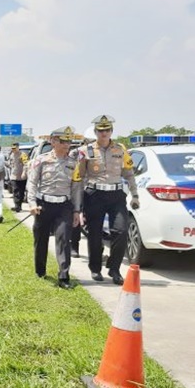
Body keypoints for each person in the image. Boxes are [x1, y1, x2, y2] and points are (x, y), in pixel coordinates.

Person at [74, 115, 139, 285]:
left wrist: (135, 195)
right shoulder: (85, 151)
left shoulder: (120, 149)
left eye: (107, 130)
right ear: (96, 132)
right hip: (94, 195)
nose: (104, 133)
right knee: (94, 234)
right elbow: (79, 177)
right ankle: (95, 268)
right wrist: (78, 204)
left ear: (111, 131)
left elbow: (129, 173)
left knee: (121, 231)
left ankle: (114, 268)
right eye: (101, 130)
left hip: (116, 195)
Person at [27, 126, 82, 289]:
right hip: (43, 205)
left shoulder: (73, 164)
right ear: (53, 141)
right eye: (63, 141)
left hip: (64, 206)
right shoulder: (41, 160)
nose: (67, 145)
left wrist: (77, 210)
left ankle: (64, 276)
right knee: (40, 239)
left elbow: (76, 188)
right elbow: (32, 183)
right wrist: (32, 203)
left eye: (69, 141)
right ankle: (40, 271)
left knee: (64, 238)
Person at [9, 142, 29, 212]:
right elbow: (10, 164)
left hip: (21, 177)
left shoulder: (22, 155)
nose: (13, 150)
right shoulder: (11, 155)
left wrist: (24, 173)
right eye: (12, 148)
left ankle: (19, 205)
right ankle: (16, 206)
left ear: (18, 147)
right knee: (15, 191)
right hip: (14, 176)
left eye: (15, 148)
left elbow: (26, 164)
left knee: (21, 191)